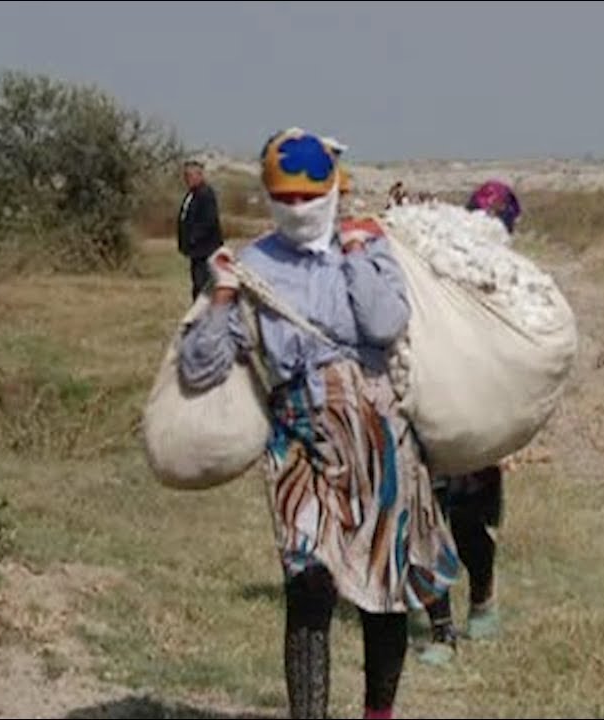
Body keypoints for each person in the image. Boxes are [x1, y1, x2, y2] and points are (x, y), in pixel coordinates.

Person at [177, 128, 458, 720]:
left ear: (331, 192)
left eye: (311, 198)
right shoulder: (251, 266)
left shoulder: (369, 247)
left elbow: (384, 324)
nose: (299, 210)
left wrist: (355, 255)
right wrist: (222, 296)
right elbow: (200, 367)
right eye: (288, 199)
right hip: (299, 443)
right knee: (307, 587)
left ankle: (378, 713)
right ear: (271, 198)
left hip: (378, 442)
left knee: (381, 592)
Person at [417, 179, 520, 666]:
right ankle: (441, 630)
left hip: (480, 423)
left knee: (469, 525)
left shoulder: (515, 285)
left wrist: (512, 430)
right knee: (420, 520)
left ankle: (481, 599)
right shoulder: (440, 268)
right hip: (430, 411)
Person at [177, 159, 224, 301]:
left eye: (190, 175)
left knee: (203, 285)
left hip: (206, 250)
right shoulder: (191, 194)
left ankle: (204, 316)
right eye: (185, 176)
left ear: (199, 175)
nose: (187, 179)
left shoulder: (206, 194)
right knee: (197, 284)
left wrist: (193, 237)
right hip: (195, 251)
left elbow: (209, 221)